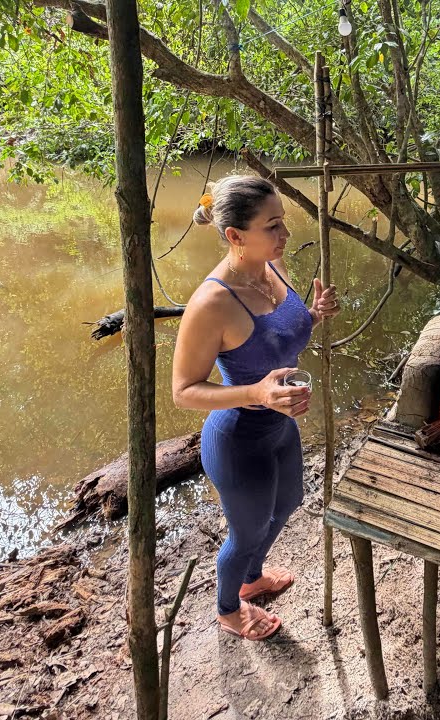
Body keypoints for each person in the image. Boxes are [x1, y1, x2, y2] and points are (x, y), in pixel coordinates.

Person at [171, 175, 340, 641]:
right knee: (244, 535)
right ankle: (228, 609)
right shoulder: (210, 304)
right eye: (272, 226)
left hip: (280, 426)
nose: (285, 235)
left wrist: (314, 313)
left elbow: (284, 331)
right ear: (234, 237)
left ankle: (251, 577)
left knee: (288, 502)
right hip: (238, 438)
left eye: (283, 222)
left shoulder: (274, 265)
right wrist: (257, 393)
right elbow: (183, 391)